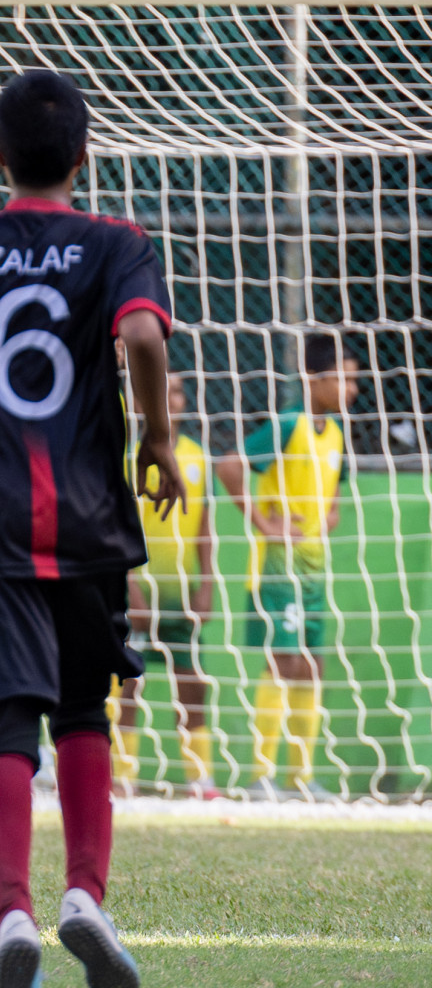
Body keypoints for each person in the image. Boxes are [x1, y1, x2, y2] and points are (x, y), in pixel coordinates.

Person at [0, 70, 182, 988]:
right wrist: (158, 438)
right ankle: (84, 897)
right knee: (84, 709)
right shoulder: (120, 243)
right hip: (89, 515)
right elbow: (142, 338)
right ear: (84, 157)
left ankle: (12, 914)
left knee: (4, 720)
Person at [215, 333, 359, 801]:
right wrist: (262, 521)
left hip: (314, 570)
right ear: (314, 380)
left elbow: (333, 497)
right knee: (284, 660)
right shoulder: (289, 425)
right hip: (276, 571)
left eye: (356, 380)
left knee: (313, 665)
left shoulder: (336, 433)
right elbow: (230, 465)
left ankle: (303, 777)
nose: (353, 389)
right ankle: (261, 776)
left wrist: (327, 515)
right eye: (345, 379)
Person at [114, 375, 217, 797]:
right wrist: (130, 583)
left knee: (190, 682)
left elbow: (205, 528)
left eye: (176, 391)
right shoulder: (124, 457)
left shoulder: (196, 456)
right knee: (127, 684)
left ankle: (200, 777)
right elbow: (115, 525)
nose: (170, 398)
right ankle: (121, 778)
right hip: (137, 588)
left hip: (181, 593)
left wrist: (207, 581)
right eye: (161, 389)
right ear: (140, 404)